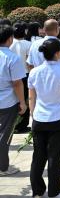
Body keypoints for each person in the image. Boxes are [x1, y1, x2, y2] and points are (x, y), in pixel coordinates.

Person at [28, 38, 60, 198]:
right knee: (55, 157)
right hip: (58, 117)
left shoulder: (34, 72)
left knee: (38, 156)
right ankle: (54, 192)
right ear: (58, 53)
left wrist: (32, 114)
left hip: (39, 117)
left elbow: (31, 97)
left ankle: (37, 190)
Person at [0, 24, 27, 176]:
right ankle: (2, 167)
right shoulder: (12, 58)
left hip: (5, 100)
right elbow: (17, 83)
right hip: (6, 102)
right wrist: (22, 102)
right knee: (4, 135)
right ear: (10, 39)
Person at [10, 23, 31, 133]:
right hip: (25, 75)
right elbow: (29, 62)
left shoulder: (9, 43)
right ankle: (22, 125)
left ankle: (12, 124)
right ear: (24, 32)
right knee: (25, 99)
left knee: (13, 99)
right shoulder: (28, 44)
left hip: (11, 75)